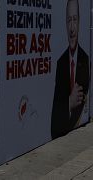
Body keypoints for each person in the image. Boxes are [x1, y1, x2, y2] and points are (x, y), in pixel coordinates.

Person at [51, 0, 89, 139]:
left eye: (75, 20)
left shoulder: (86, 60)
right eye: (68, 20)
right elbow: (54, 120)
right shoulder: (60, 63)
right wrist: (69, 102)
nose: (72, 28)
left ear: (79, 22)